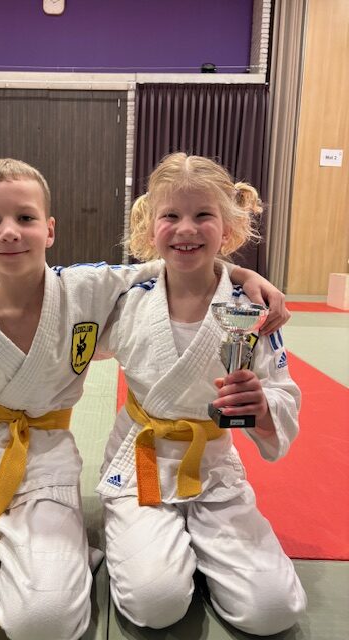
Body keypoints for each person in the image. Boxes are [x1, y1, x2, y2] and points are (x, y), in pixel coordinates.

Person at [0, 158, 289, 640]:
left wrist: (238, 274)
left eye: (25, 217)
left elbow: (177, 262)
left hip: (66, 462)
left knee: (49, 622)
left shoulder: (89, 292)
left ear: (49, 229)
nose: (10, 231)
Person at [95, 153, 307, 636]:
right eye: (171, 215)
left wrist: (262, 406)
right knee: (156, 604)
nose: (186, 228)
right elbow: (65, 314)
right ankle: (156, 548)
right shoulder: (127, 296)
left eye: (203, 215)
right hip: (142, 463)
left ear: (228, 229)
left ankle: (196, 551)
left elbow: (284, 392)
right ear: (150, 227)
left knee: (274, 610)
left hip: (212, 468)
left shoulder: (251, 308)